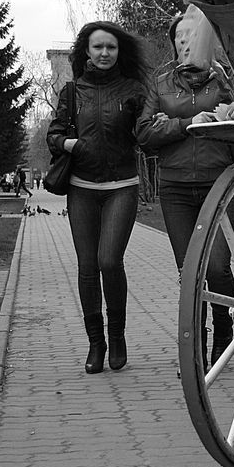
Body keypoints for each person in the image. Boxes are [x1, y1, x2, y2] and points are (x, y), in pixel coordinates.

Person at [137, 5, 234, 371]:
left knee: (219, 268)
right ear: (174, 45)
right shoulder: (160, 84)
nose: (186, 43)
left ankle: (224, 337)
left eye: (192, 36)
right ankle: (196, 347)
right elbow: (144, 133)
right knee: (189, 270)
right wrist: (185, 123)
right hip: (176, 189)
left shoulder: (223, 80)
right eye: (180, 38)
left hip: (218, 183)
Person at [46, 21, 150, 374]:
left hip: (122, 185)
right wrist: (68, 143)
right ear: (86, 52)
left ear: (119, 51)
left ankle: (117, 336)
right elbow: (54, 134)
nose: (105, 53)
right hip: (82, 189)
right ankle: (96, 344)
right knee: (88, 267)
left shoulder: (134, 90)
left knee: (109, 261)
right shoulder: (72, 91)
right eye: (98, 47)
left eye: (111, 47)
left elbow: (147, 132)